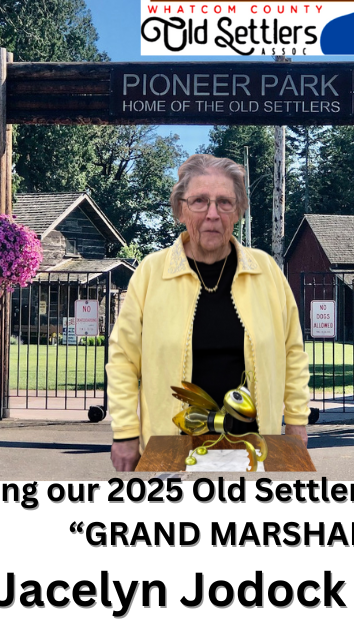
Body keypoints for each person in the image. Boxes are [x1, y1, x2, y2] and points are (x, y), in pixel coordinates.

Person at [107, 154, 310, 471]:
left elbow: (292, 354)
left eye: (225, 202)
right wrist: (125, 432)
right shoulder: (151, 274)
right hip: (169, 450)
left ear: (238, 209)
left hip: (253, 454)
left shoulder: (267, 272)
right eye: (199, 201)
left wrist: (297, 423)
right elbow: (123, 358)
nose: (212, 214)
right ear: (181, 208)